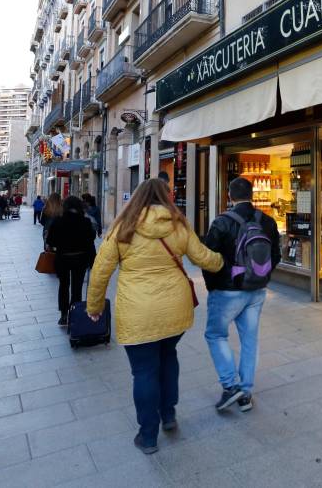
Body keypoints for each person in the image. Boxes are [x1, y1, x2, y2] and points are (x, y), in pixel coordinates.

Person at [86, 179, 223, 454]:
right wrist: (223, 260)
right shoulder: (179, 224)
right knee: (168, 356)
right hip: (175, 309)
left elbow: (101, 271)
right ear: (166, 196)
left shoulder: (123, 227)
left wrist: (94, 306)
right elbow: (204, 258)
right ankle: (168, 414)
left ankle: (148, 435)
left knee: (144, 371)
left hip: (138, 312)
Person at [202, 177, 280, 413]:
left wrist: (213, 286)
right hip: (256, 291)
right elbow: (275, 255)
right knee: (249, 341)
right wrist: (260, 276)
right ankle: (245, 393)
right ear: (253, 194)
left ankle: (230, 385)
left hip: (227, 290)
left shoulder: (221, 222)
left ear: (229, 195)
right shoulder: (267, 221)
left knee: (215, 335)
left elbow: (208, 258)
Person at [45, 196, 96, 326]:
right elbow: (90, 240)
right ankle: (75, 313)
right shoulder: (85, 221)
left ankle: (63, 314)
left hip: (62, 258)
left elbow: (50, 241)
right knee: (77, 287)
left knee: (63, 286)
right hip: (80, 259)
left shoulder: (58, 221)